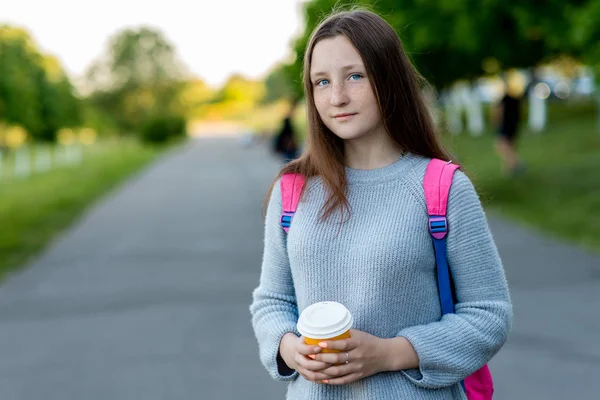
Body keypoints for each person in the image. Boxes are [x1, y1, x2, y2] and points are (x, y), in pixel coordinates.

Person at [250, 9, 512, 400]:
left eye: (355, 76)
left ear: (388, 78)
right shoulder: (294, 189)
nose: (337, 97)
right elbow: (272, 302)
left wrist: (390, 353)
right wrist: (290, 349)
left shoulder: (441, 187)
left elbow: (489, 313)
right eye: (322, 82)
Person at [493, 74, 526, 176]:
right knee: (509, 146)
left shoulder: (504, 99)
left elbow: (499, 113)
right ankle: (509, 168)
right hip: (514, 125)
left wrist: (496, 123)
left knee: (501, 146)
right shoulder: (516, 99)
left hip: (505, 126)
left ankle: (517, 163)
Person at [272, 99, 300, 163]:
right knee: (290, 163)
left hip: (288, 149)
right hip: (289, 149)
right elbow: (288, 138)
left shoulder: (286, 123)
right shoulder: (287, 124)